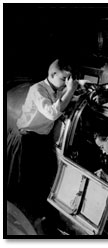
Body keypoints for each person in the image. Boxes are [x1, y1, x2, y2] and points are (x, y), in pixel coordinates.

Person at [7, 58, 90, 219]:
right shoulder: (37, 90)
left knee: (48, 174)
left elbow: (70, 93)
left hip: (42, 138)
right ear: (52, 74)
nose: (67, 83)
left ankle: (45, 211)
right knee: (26, 182)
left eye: (69, 79)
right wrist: (71, 90)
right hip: (27, 139)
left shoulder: (57, 87)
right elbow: (51, 113)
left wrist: (80, 86)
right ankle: (27, 218)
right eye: (64, 79)